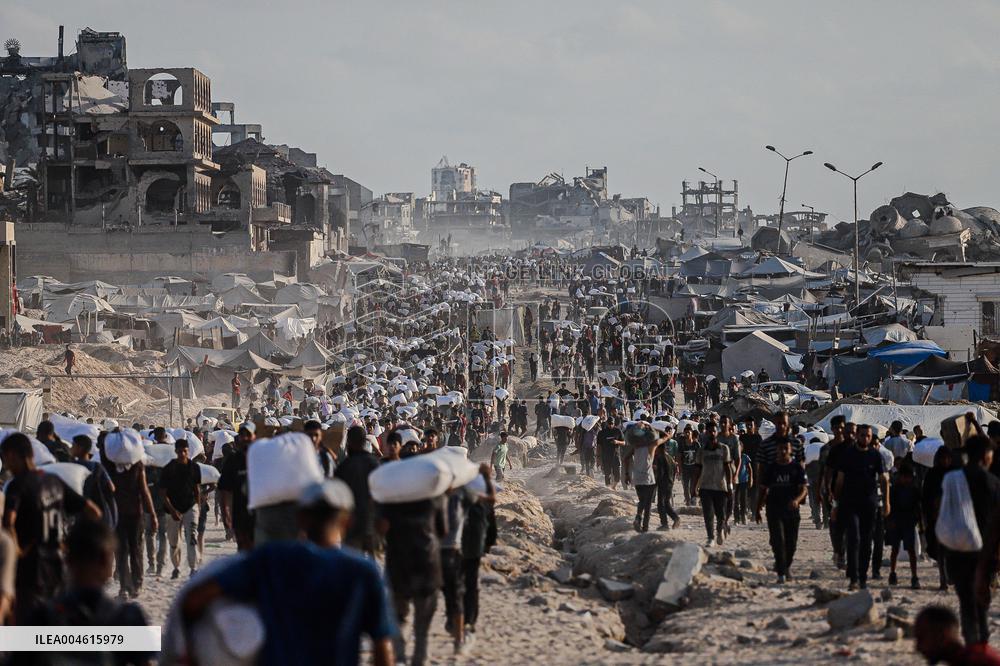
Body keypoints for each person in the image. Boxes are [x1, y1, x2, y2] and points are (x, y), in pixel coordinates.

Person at [183, 480, 396, 666]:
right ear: (347, 521)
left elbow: (195, 599)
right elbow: (382, 646)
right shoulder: (362, 571)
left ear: (300, 518)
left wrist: (193, 651)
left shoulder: (272, 558)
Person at [1, 432, 100, 622]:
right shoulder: (54, 481)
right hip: (57, 569)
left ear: (12, 455)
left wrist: (17, 550)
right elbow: (93, 511)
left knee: (26, 631)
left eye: (5, 459)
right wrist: (71, 544)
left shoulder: (17, 485)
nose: (6, 466)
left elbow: (9, 522)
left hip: (28, 573)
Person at [378, 470, 448, 666]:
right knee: (422, 623)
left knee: (398, 616)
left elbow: (381, 529)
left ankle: (399, 655)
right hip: (427, 565)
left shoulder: (392, 502)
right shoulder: (435, 500)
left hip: (398, 565)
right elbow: (443, 531)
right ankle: (419, 659)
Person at [948, 435, 1000, 645]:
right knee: (982, 599)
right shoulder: (993, 482)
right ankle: (982, 640)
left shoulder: (952, 479)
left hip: (958, 548)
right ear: (984, 455)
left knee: (966, 600)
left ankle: (972, 640)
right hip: (985, 550)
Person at [832, 423, 890, 590]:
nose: (865, 438)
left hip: (869, 505)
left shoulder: (875, 455)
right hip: (849, 504)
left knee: (866, 541)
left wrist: (886, 502)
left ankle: (862, 576)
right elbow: (839, 481)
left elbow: (884, 479)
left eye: (868, 436)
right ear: (857, 436)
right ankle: (853, 577)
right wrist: (836, 503)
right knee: (853, 539)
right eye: (862, 435)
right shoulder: (847, 455)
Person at [755, 438, 807, 583]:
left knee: (791, 543)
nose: (783, 451)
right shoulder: (771, 468)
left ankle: (786, 566)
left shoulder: (797, 468)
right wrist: (757, 508)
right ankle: (781, 573)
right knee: (778, 541)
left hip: (791, 511)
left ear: (791, 450)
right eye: (780, 448)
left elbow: (803, 489)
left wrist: (796, 500)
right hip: (774, 509)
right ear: (776, 450)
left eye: (786, 448)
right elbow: (763, 489)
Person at [334, 425, 381, 555]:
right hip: (370, 522)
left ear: (349, 442)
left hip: (350, 523)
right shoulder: (374, 464)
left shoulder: (344, 466)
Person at [462, 465, 497, 639]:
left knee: (460, 584)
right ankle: (470, 619)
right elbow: (492, 530)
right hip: (475, 549)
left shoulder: (458, 502)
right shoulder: (485, 506)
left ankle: (461, 618)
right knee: (471, 585)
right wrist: (488, 546)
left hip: (460, 549)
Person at [159, 438, 201, 580]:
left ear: (188, 451)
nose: (182, 454)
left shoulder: (194, 467)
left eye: (185, 451)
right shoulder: (169, 468)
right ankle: (176, 567)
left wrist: (198, 507)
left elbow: (196, 489)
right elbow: (163, 494)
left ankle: (193, 568)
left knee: (192, 539)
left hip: (190, 507)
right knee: (174, 542)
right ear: (176, 451)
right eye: (180, 451)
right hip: (172, 510)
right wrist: (172, 510)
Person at [915, 605, 1000, 665]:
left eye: (921, 638)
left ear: (941, 635)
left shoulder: (976, 661)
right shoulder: (970, 657)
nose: (918, 647)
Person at [693, 422, 733, 547]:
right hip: (705, 486)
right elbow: (698, 469)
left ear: (717, 432)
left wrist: (730, 484)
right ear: (706, 433)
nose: (712, 433)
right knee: (708, 514)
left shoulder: (723, 449)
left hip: (720, 487)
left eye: (714, 431)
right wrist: (694, 487)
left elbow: (727, 468)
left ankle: (720, 530)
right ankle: (710, 537)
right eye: (709, 431)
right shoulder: (701, 451)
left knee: (721, 513)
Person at [886, 461, 921, 589]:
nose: (907, 479)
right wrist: (889, 521)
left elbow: (918, 506)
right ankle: (892, 573)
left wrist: (918, 520)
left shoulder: (914, 490)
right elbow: (889, 506)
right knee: (895, 550)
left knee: (911, 550)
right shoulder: (894, 489)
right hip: (897, 522)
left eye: (909, 477)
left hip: (909, 522)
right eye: (905, 477)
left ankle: (914, 576)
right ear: (900, 476)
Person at [625, 423, 660, 533]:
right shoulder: (652, 446)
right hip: (649, 477)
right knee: (648, 502)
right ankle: (644, 526)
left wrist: (627, 474)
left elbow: (625, 459)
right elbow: (659, 437)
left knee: (642, 500)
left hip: (637, 477)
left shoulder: (635, 448)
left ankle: (639, 518)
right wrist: (649, 427)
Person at [597, 415, 624, 490]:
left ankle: (614, 486)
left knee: (617, 475)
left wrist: (617, 442)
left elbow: (624, 442)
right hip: (605, 456)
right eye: (609, 424)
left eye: (612, 423)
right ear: (606, 423)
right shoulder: (602, 433)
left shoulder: (618, 431)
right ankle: (608, 489)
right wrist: (598, 457)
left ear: (614, 423)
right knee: (607, 474)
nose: (610, 425)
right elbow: (599, 445)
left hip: (615, 456)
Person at [678, 427, 700, 506]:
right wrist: (680, 469)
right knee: (685, 486)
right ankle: (687, 501)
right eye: (685, 432)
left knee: (693, 486)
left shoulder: (696, 444)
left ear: (691, 434)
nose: (687, 434)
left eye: (689, 433)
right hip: (685, 468)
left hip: (694, 468)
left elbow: (699, 456)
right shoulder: (682, 444)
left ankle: (693, 499)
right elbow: (679, 457)